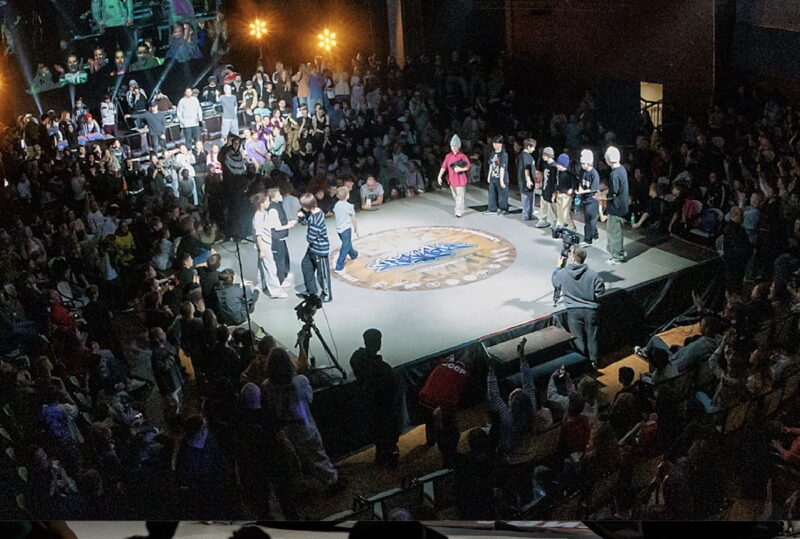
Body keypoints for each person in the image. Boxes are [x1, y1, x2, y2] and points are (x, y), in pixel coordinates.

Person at [262, 348, 343, 493]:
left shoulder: (267, 385)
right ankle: (333, 481)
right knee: (318, 455)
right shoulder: (300, 381)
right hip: (304, 426)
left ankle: (305, 485)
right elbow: (309, 398)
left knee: (297, 459)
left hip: (285, 430)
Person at [349, 329, 400, 467]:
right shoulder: (383, 368)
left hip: (368, 401)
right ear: (378, 343)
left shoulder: (357, 358)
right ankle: (388, 453)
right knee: (387, 429)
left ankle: (381, 455)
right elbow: (392, 388)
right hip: (383, 404)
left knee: (378, 431)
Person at [552, 246, 605, 368]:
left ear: (573, 258)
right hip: (591, 311)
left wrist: (558, 267)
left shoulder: (563, 273)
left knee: (578, 339)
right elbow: (600, 291)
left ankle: (581, 363)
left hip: (573, 312)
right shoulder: (593, 275)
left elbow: (555, 282)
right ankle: (594, 362)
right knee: (592, 337)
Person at [297, 193, 332, 302]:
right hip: (313, 248)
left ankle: (327, 295)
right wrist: (301, 217)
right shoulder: (314, 212)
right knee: (306, 265)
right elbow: (305, 222)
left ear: (308, 206)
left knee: (322, 274)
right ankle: (311, 291)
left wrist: (304, 218)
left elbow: (310, 238)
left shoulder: (316, 219)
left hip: (320, 249)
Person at [251, 192, 286, 299]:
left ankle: (262, 284)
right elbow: (258, 235)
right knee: (271, 267)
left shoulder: (264, 213)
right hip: (264, 245)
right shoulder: (258, 217)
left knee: (262, 266)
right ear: (261, 203)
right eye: (267, 201)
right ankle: (276, 291)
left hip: (266, 243)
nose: (269, 203)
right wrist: (262, 250)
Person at [265, 187, 297, 287]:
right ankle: (280, 280)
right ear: (273, 198)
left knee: (285, 256)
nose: (281, 196)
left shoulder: (278, 205)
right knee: (280, 260)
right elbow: (276, 227)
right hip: (276, 238)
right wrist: (290, 225)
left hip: (281, 237)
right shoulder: (273, 209)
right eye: (278, 195)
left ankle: (284, 274)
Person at [604, 146, 629, 264]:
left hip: (616, 207)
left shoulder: (614, 174)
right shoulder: (622, 169)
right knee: (611, 229)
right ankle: (611, 248)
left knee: (615, 232)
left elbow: (613, 192)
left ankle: (617, 256)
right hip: (621, 205)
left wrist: (601, 196)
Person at [437, 134, 471, 218]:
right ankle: (460, 207)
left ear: (459, 146)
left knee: (460, 196)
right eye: (452, 146)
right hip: (452, 179)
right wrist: (439, 176)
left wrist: (461, 169)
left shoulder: (462, 156)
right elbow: (444, 166)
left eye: (456, 146)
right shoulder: (448, 156)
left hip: (460, 179)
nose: (454, 148)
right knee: (455, 196)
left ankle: (458, 210)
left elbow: (468, 166)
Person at [577, 149, 600, 246]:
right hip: (585, 199)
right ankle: (594, 234)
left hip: (592, 200)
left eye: (584, 163)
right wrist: (579, 189)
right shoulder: (582, 171)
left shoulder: (594, 174)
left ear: (589, 163)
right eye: (581, 163)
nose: (582, 165)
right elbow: (580, 181)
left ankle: (588, 240)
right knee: (589, 220)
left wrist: (582, 191)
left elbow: (594, 189)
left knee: (590, 221)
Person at [333, 186, 359, 273]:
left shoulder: (336, 205)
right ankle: (339, 265)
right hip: (346, 228)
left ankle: (353, 254)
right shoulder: (349, 206)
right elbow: (353, 218)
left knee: (346, 243)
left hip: (338, 229)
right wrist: (355, 228)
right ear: (347, 195)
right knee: (346, 245)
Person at [485, 135, 509, 214]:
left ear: (501, 144)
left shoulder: (504, 154)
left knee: (502, 194)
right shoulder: (492, 153)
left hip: (501, 177)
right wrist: (489, 176)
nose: (495, 145)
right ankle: (492, 208)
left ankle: (503, 209)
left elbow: (502, 167)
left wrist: (501, 180)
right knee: (492, 193)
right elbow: (491, 165)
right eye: (494, 143)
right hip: (493, 177)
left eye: (497, 143)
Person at [535, 147, 558, 228]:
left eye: (544, 155)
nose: (542, 157)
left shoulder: (554, 166)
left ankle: (554, 220)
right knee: (543, 204)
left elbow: (555, 180)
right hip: (545, 187)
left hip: (551, 189)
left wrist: (554, 191)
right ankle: (543, 219)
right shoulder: (545, 165)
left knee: (552, 205)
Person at [554, 153, 577, 230]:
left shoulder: (569, 174)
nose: (557, 166)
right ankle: (559, 226)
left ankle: (572, 227)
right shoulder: (559, 173)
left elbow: (575, 182)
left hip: (566, 195)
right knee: (559, 212)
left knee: (565, 213)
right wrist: (555, 192)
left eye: (558, 164)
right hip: (559, 193)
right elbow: (557, 183)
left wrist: (572, 189)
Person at [517, 138, 537, 221]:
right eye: (533, 147)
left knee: (526, 197)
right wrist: (528, 180)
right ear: (529, 147)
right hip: (527, 180)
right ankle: (527, 214)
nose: (534, 149)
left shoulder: (521, 155)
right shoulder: (527, 157)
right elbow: (527, 169)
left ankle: (528, 214)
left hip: (522, 179)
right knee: (528, 197)